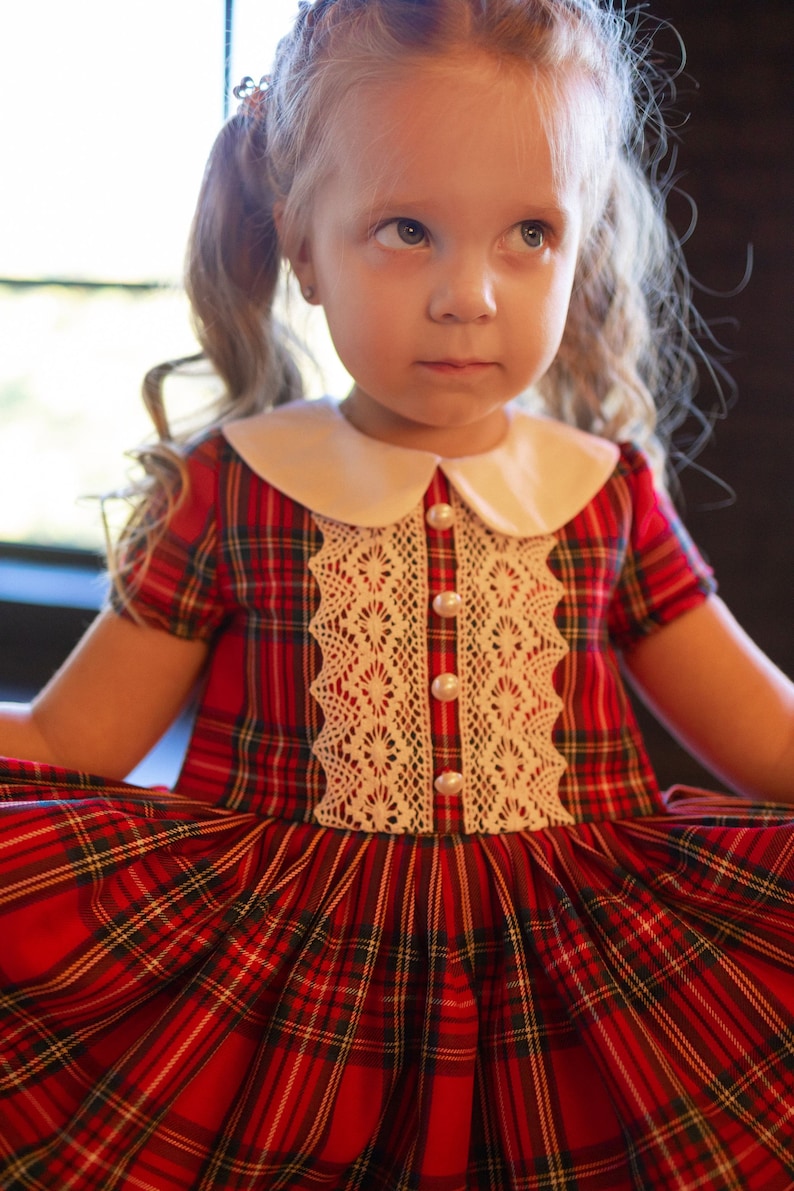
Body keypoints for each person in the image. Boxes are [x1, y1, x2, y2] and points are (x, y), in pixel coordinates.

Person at [1, 0, 793, 1186]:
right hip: (274, 1001)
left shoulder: (603, 497)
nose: (467, 294)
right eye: (406, 229)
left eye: (527, 232)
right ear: (302, 245)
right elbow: (73, 740)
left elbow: (764, 740)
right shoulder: (232, 487)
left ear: (581, 248)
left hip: (575, 997)